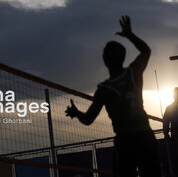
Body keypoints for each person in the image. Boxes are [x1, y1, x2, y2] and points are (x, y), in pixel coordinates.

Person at [65, 15, 161, 177]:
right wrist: (129, 34)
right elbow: (146, 50)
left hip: (126, 141)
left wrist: (76, 113)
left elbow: (88, 120)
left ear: (105, 59)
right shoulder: (133, 72)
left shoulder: (104, 89)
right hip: (145, 136)